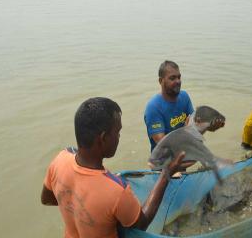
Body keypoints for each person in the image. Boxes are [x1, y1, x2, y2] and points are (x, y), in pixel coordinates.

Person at [41, 97, 185, 238]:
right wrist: (166, 173)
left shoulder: (60, 159)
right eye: (117, 132)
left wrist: (76, 208)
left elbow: (46, 199)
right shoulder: (117, 190)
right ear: (103, 138)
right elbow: (142, 223)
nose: (119, 137)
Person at [144, 60, 224, 169]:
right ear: (160, 81)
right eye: (172, 78)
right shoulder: (153, 107)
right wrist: (187, 131)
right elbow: (163, 144)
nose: (178, 81)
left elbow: (195, 127)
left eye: (179, 77)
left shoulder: (184, 97)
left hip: (183, 158)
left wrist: (210, 126)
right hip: (163, 166)